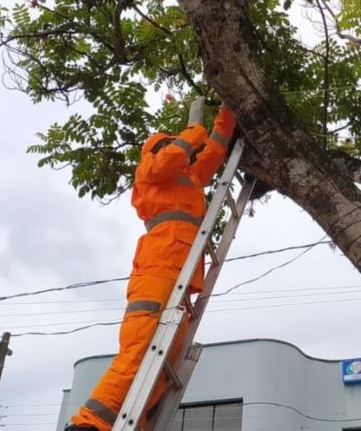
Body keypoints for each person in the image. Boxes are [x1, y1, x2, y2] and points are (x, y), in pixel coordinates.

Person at [67, 104, 236, 431]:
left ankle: (136, 421)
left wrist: (228, 110)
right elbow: (172, 157)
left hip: (183, 275)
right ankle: (88, 423)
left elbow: (214, 150)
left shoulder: (188, 179)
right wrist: (192, 132)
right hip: (157, 267)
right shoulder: (151, 168)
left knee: (167, 358)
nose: (183, 149)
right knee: (140, 348)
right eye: (173, 143)